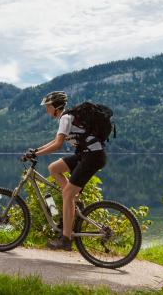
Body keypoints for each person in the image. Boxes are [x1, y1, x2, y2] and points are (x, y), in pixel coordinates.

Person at [24, 91, 107, 251]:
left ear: (56, 107)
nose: (47, 110)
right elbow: (56, 140)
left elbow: (58, 145)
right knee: (54, 168)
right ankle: (73, 203)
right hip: (85, 155)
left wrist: (37, 154)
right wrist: (36, 150)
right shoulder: (66, 118)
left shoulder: (65, 118)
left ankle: (66, 239)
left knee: (67, 194)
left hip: (93, 157)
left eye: (48, 107)